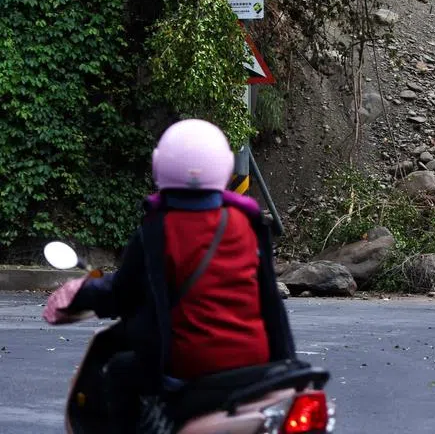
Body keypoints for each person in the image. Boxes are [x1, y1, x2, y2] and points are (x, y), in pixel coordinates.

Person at [47, 118, 295, 432]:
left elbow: (122, 294)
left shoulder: (158, 227)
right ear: (225, 166)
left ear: (158, 165)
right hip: (259, 363)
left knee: (120, 372)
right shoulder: (247, 222)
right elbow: (266, 295)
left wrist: (76, 293)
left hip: (191, 366)